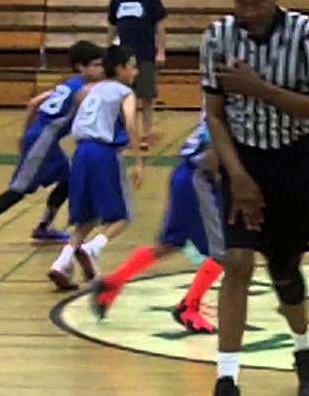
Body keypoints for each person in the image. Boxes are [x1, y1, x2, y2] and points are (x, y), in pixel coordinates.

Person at [201, 0, 309, 396]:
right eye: (239, 2)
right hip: (243, 157)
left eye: (256, 3)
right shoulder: (217, 37)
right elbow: (215, 114)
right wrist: (238, 176)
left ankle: (304, 351)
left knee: (285, 272)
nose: (248, 12)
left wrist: (258, 88)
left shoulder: (305, 36)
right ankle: (227, 381)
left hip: (294, 158)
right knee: (237, 262)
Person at [0, 40, 104, 255]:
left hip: (43, 139)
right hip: (42, 142)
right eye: (96, 65)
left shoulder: (69, 84)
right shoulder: (83, 90)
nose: (100, 69)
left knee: (68, 179)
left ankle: (44, 228)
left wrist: (23, 133)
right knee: (19, 189)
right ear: (80, 67)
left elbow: (34, 102)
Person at [90, 116, 226, 334]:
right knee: (225, 251)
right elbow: (212, 154)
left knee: (170, 244)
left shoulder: (221, 109)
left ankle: (112, 282)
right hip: (200, 179)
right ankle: (189, 307)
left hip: (186, 175)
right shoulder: (229, 112)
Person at [47, 45, 143, 291]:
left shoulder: (88, 89)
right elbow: (131, 124)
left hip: (80, 152)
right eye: (132, 66)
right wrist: (138, 161)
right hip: (103, 153)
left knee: (87, 216)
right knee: (123, 216)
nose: (136, 71)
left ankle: (62, 262)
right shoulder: (125, 92)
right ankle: (93, 248)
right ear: (120, 69)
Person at [107, 0, 167, 149]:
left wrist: (161, 51)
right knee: (123, 97)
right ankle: (126, 132)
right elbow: (112, 26)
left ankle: (145, 134)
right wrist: (109, 49)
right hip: (123, 58)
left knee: (146, 97)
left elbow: (160, 27)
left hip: (145, 54)